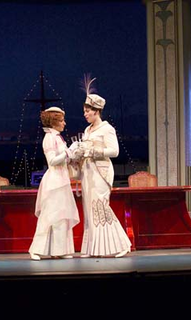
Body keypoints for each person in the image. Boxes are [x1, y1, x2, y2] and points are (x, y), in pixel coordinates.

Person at [76, 76, 131, 258]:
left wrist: (93, 151)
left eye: (87, 111)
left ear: (97, 111)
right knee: (89, 209)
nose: (85, 114)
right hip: (88, 173)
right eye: (84, 111)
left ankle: (122, 244)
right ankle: (93, 248)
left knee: (101, 207)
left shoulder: (107, 129)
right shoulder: (87, 131)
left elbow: (114, 151)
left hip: (101, 173)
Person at [28, 106, 81, 260]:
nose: (64, 123)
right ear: (54, 122)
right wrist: (68, 152)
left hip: (62, 179)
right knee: (49, 216)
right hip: (54, 181)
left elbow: (64, 159)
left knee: (61, 216)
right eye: (62, 120)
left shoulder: (58, 137)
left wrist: (73, 154)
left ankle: (59, 250)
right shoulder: (49, 138)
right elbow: (52, 161)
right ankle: (36, 249)